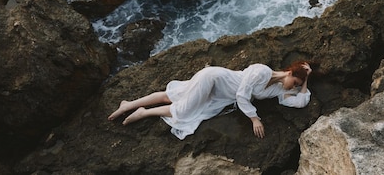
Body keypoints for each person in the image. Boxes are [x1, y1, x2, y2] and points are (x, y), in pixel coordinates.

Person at [108, 60, 312, 140]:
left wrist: (305, 81)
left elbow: (300, 102)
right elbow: (241, 95)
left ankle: (128, 104)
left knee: (176, 95)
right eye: (295, 81)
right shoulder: (262, 71)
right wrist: (254, 118)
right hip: (213, 78)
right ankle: (142, 110)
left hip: (220, 95)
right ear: (289, 72)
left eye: (296, 85)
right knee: (183, 107)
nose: (293, 87)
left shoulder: (276, 91)